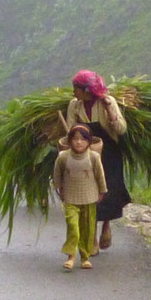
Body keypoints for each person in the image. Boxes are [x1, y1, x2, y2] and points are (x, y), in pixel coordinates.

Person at [66, 70, 130, 253]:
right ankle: (92, 235)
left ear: (87, 90)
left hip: (109, 152)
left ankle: (106, 227)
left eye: (76, 89)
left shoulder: (107, 102)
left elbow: (121, 129)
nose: (73, 93)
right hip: (86, 153)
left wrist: (110, 110)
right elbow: (71, 129)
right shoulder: (74, 105)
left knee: (108, 191)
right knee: (89, 193)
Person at [53, 124, 107, 270]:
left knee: (87, 229)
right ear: (69, 141)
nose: (78, 142)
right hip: (70, 198)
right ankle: (71, 257)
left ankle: (85, 257)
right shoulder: (63, 157)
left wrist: (102, 191)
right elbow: (57, 175)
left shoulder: (93, 157)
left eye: (83, 139)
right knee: (73, 227)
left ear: (89, 142)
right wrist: (59, 190)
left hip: (89, 198)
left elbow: (100, 175)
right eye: (75, 139)